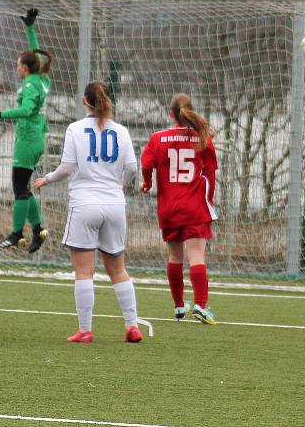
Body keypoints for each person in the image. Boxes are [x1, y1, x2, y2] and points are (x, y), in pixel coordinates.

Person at [34, 81, 142, 343]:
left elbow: (67, 167)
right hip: (115, 205)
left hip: (84, 203)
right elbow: (132, 168)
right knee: (118, 269)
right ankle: (132, 325)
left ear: (84, 101)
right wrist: (119, 186)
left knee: (84, 271)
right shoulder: (122, 131)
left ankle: (85, 330)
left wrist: (46, 179)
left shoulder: (75, 129)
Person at [140, 93, 219, 325]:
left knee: (175, 256)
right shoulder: (202, 138)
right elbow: (211, 173)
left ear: (170, 113)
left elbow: (146, 164)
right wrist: (210, 198)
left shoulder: (157, 138)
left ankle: (178, 306)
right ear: (190, 112)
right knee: (196, 255)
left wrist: (148, 183)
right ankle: (201, 306)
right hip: (194, 206)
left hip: (169, 208)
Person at [0, 8, 52, 254]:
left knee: (19, 187)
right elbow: (36, 56)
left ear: (24, 67)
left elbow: (25, 111)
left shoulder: (32, 84)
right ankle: (38, 229)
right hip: (34, 139)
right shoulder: (41, 78)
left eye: (18, 63)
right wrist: (30, 28)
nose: (16, 66)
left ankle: (15, 233)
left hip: (28, 139)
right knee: (24, 187)